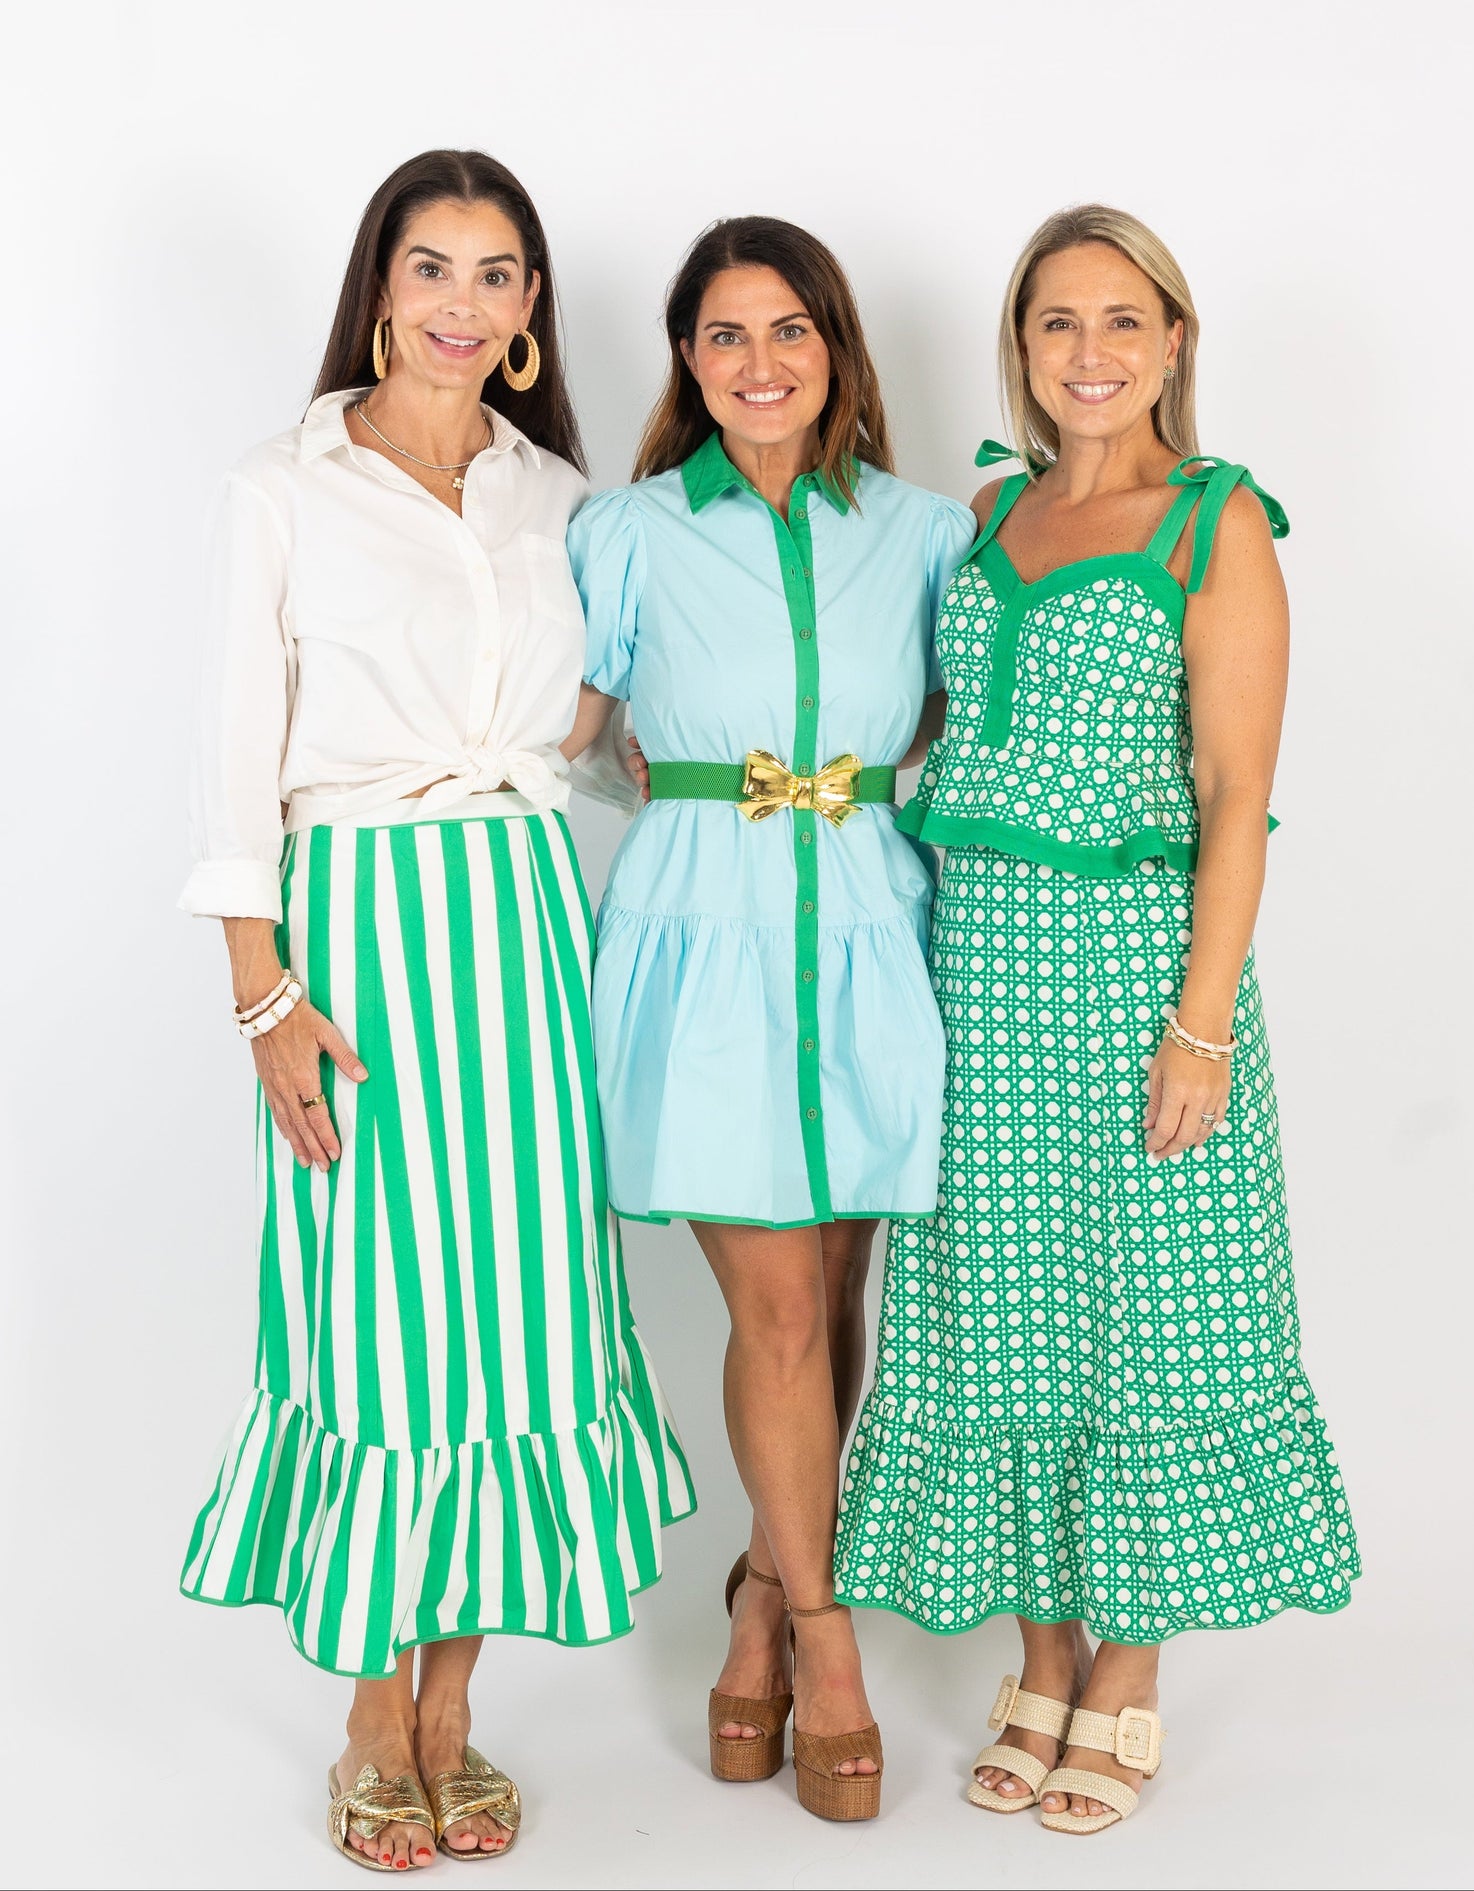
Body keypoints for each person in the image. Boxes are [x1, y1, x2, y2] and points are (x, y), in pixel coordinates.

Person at [177, 148, 692, 1871]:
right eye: (430, 267)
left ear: (531, 310)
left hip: (529, 929)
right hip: (360, 938)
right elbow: (236, 764)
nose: (460, 305)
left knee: (523, 1323)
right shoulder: (285, 482)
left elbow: (607, 739)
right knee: (382, 1332)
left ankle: (451, 1708)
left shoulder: (566, 500)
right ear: (379, 286)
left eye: (495, 274)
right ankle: (367, 1722)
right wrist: (264, 1004)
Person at [833, 204, 1361, 1835]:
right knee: (1002, 1303)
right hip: (974, 963)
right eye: (1057, 323)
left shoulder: (1216, 523)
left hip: (1136, 969)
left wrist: (1200, 1026)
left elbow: (1238, 789)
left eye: (1122, 320)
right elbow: (912, 720)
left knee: (1146, 1304)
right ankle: (1039, 1658)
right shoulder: (985, 518)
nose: (1090, 353)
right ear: (1022, 347)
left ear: (1176, 340)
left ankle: (1122, 1679)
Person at [568, 216, 972, 1823]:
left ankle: (753, 1583)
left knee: (841, 1293)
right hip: (704, 940)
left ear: (838, 347)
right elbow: (571, 737)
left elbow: (960, 717)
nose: (760, 363)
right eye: (725, 335)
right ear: (686, 359)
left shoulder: (934, 531)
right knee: (782, 1313)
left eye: (789, 329)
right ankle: (820, 1633)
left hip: (875, 931)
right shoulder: (629, 530)